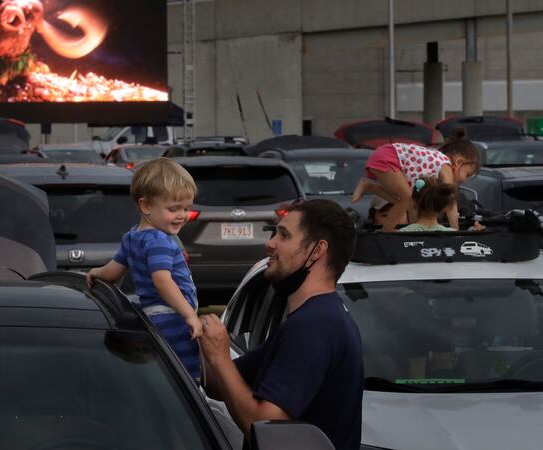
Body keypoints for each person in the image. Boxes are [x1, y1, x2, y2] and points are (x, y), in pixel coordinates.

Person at [199, 199, 363, 450]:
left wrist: (220, 356)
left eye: (284, 236)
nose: (270, 244)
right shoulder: (313, 318)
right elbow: (218, 386)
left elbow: (267, 431)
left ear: (317, 251)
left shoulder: (313, 326)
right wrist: (186, 324)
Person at [87, 158, 202, 379]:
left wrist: (95, 272)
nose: (182, 216)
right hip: (173, 317)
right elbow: (163, 281)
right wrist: (190, 316)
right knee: (188, 376)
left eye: (186, 208)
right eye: (174, 208)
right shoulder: (159, 240)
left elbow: (112, 273)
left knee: (166, 373)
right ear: (146, 206)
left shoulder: (132, 237)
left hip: (152, 317)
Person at [350, 129, 481, 232]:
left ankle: (370, 187)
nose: (465, 180)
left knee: (403, 201)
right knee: (405, 198)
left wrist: (415, 229)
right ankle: (386, 234)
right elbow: (451, 203)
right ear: (458, 162)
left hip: (386, 156)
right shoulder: (445, 166)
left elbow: (413, 206)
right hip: (388, 158)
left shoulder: (434, 164)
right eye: (467, 174)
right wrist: (456, 231)